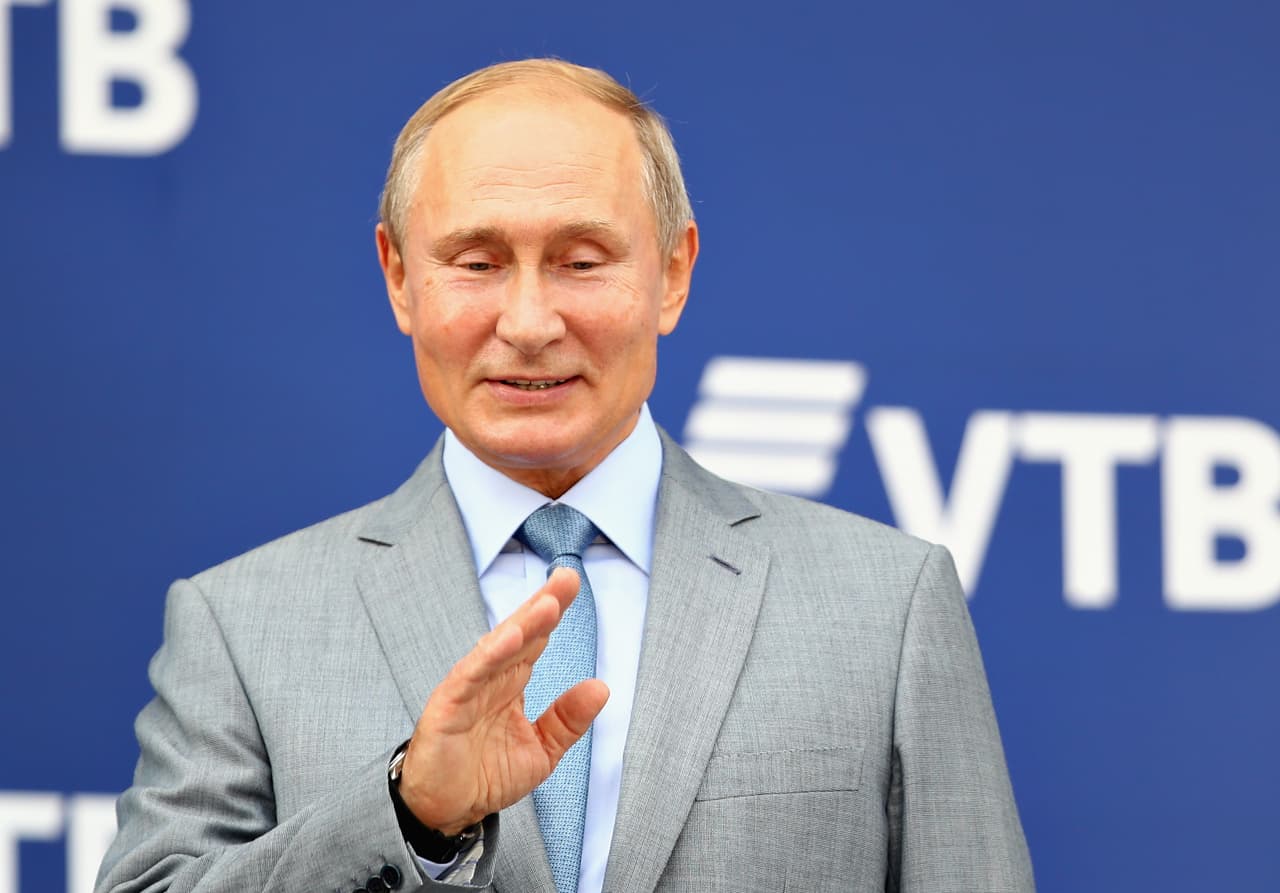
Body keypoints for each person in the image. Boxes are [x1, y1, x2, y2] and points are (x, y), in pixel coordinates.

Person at [97, 58, 1034, 893]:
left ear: (673, 273)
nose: (531, 319)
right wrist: (407, 815)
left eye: (582, 261)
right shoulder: (242, 624)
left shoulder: (886, 606)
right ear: (397, 277)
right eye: (477, 261)